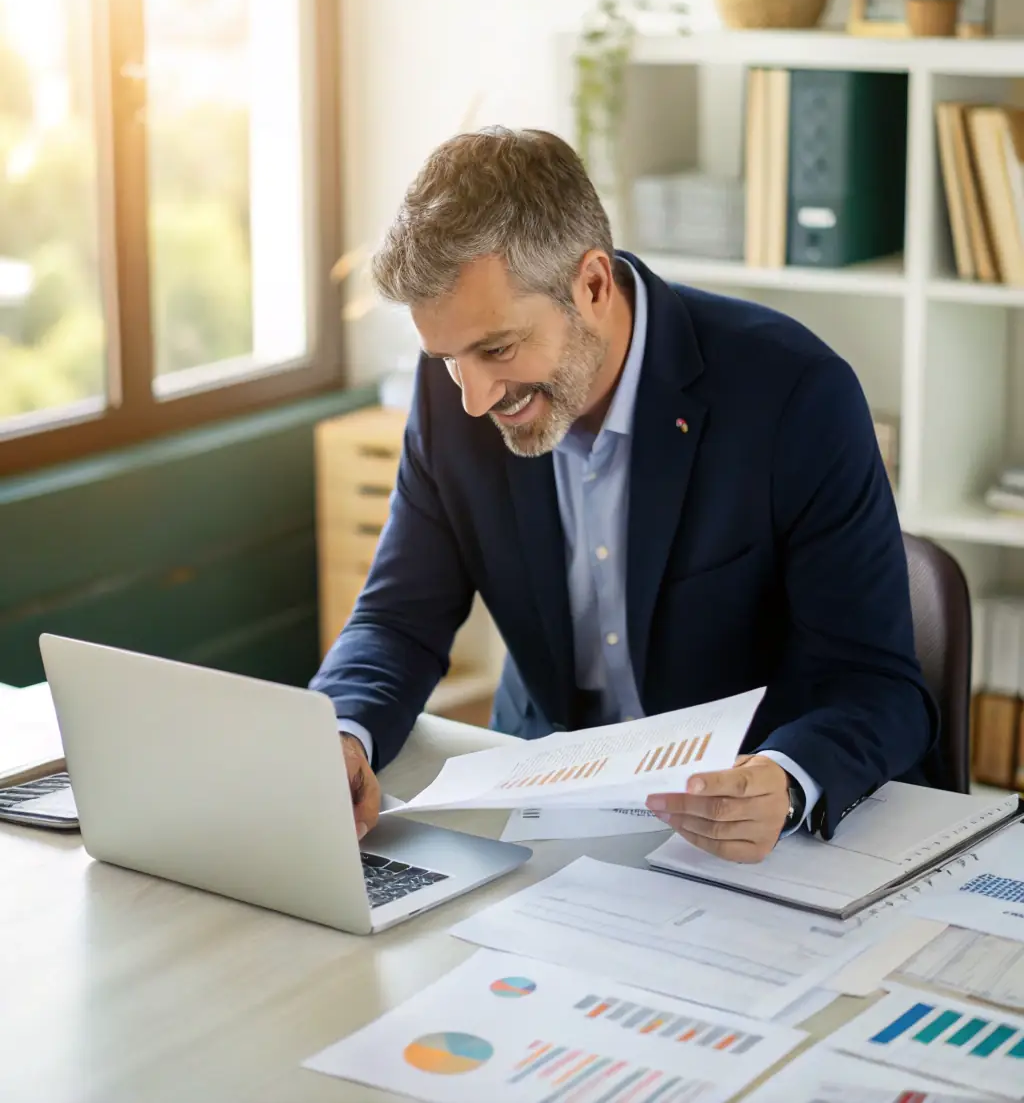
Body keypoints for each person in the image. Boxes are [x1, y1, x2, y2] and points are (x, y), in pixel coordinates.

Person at [312, 126, 936, 864]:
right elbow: (396, 618)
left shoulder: (795, 395)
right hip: (544, 810)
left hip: (742, 837)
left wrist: (788, 780)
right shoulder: (453, 394)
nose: (474, 397)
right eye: (448, 358)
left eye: (498, 349)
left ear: (593, 285)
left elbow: (879, 684)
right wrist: (340, 734)